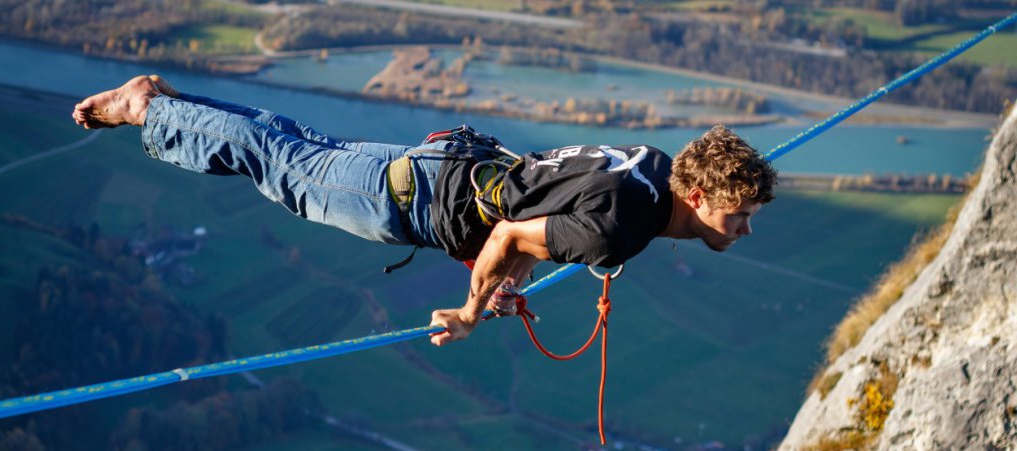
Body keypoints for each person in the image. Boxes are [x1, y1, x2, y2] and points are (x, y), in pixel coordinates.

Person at [72, 75, 777, 346]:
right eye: (736, 214)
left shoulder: (652, 166)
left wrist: (507, 281)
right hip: (408, 200)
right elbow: (509, 233)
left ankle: (172, 105)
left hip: (442, 170)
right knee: (283, 168)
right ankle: (151, 110)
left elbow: (538, 208)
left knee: (292, 146)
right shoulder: (621, 232)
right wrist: (472, 311)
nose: (744, 228)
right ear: (696, 196)